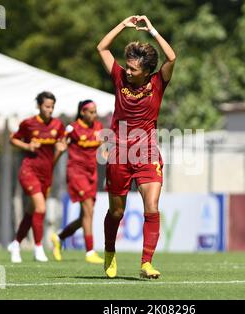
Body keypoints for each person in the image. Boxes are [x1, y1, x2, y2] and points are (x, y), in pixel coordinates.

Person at [97, 15, 176, 278]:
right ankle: (109, 251)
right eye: (127, 67)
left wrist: (152, 29)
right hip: (119, 151)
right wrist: (122, 25)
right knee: (117, 211)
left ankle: (146, 263)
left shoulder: (158, 83)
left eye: (133, 68)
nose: (128, 71)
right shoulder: (119, 78)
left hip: (146, 152)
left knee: (151, 206)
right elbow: (102, 48)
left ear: (146, 71)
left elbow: (172, 57)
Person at [7, 91, 66, 263]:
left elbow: (54, 158)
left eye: (52, 107)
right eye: (47, 106)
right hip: (28, 171)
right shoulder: (29, 124)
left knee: (31, 211)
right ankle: (38, 248)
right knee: (40, 208)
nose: (50, 110)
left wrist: (60, 153)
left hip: (46, 174)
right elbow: (13, 139)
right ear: (39, 106)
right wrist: (27, 146)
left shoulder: (58, 126)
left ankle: (16, 243)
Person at [51, 100, 104, 264]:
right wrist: (50, 166)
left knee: (85, 217)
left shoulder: (98, 127)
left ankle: (59, 238)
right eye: (91, 112)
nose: (94, 115)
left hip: (91, 174)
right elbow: (60, 146)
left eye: (95, 112)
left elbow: (102, 151)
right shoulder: (72, 129)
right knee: (88, 211)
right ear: (82, 112)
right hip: (76, 173)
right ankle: (90, 252)